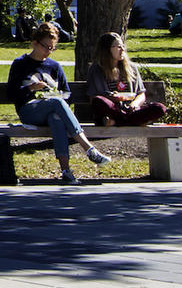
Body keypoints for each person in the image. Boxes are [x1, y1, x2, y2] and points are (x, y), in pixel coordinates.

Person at [7, 22, 112, 185]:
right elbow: (11, 93)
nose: (48, 52)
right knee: (55, 104)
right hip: (29, 111)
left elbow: (67, 94)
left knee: (56, 116)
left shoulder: (54, 67)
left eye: (52, 48)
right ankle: (88, 148)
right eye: (46, 47)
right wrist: (31, 88)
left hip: (52, 108)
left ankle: (66, 171)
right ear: (35, 43)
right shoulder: (20, 64)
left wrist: (56, 95)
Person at [87, 32, 167, 127]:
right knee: (98, 101)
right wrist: (113, 98)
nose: (123, 50)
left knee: (159, 108)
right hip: (112, 111)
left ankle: (119, 121)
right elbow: (95, 99)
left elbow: (141, 94)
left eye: (123, 46)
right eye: (118, 47)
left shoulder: (131, 68)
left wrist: (135, 104)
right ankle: (133, 121)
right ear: (107, 49)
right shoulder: (97, 69)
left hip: (130, 111)